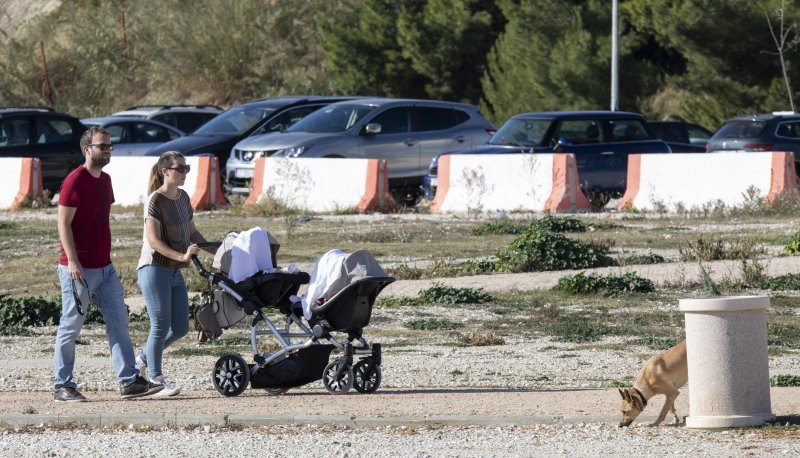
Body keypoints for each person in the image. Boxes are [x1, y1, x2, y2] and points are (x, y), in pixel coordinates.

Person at [54, 126, 163, 402]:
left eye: (109, 146)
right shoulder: (74, 182)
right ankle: (62, 385)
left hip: (105, 268)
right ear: (87, 149)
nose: (108, 150)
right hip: (78, 269)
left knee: (119, 321)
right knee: (71, 326)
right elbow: (63, 225)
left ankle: (129, 381)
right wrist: (74, 263)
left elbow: (100, 220)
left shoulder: (105, 181)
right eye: (102, 146)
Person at [135, 151, 213, 396]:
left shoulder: (183, 197)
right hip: (154, 268)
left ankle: (140, 362)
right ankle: (156, 380)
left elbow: (193, 233)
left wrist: (220, 251)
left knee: (180, 328)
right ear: (165, 171)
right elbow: (154, 241)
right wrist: (182, 256)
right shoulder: (155, 201)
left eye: (186, 168)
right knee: (159, 325)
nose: (185, 172)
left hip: (173, 271)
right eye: (180, 168)